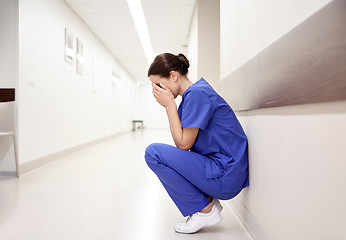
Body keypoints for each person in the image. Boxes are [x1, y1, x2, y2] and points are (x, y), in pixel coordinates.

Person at [144, 53, 249, 234]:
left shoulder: (197, 95)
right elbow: (183, 145)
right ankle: (206, 201)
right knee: (169, 156)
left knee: (153, 153)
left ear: (173, 76)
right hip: (224, 171)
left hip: (226, 175)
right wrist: (172, 105)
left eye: (159, 84)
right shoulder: (192, 96)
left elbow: (183, 144)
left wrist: (170, 105)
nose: (157, 90)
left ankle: (205, 210)